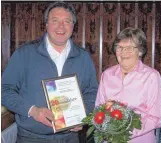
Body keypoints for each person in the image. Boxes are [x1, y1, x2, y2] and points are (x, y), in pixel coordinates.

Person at [1, 2, 98, 143]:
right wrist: (32, 110)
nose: (61, 26)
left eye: (67, 21)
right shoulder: (24, 54)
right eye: (55, 21)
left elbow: (92, 92)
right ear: (46, 25)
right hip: (31, 138)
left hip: (71, 138)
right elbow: (4, 90)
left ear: (73, 26)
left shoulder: (83, 57)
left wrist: (83, 115)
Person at [95, 27, 161, 143]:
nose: (123, 52)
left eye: (129, 48)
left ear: (140, 51)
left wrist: (123, 131)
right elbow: (98, 109)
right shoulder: (107, 75)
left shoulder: (151, 76)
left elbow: (154, 118)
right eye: (119, 47)